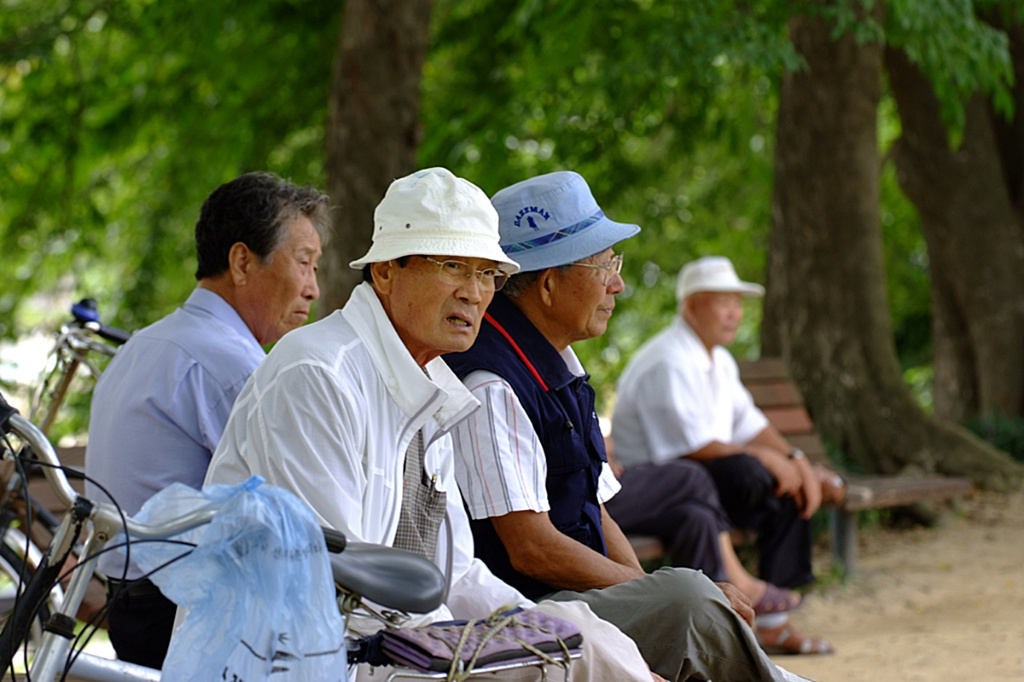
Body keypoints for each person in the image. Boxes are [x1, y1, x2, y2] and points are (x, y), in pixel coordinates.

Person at [203, 167, 662, 682]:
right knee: (575, 658)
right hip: (304, 661)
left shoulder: (433, 388)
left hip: (387, 646)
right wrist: (469, 650)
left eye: (488, 274)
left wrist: (527, 626)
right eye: (452, 266)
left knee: (582, 634)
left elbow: (458, 574)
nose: (474, 293)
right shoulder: (319, 374)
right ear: (385, 272)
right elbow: (335, 585)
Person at [445, 170, 815, 680]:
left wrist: (651, 595)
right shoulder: (491, 383)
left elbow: (596, 511)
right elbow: (531, 549)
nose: (617, 283)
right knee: (692, 591)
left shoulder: (558, 364)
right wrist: (659, 597)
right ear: (549, 283)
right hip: (532, 609)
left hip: (577, 596)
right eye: (604, 264)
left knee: (686, 597)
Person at [85, 171, 328, 667]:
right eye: (304, 263)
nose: (313, 289)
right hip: (180, 615)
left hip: (126, 601)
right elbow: (297, 502)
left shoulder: (147, 342)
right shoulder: (227, 364)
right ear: (242, 261)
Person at [611, 254, 843, 654]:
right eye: (723, 302)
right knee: (752, 474)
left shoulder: (719, 360)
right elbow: (691, 448)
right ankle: (749, 604)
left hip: (704, 487)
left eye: (737, 303)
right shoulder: (669, 359)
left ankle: (773, 620)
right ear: (691, 307)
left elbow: (751, 424)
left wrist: (796, 461)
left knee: (786, 491)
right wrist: (770, 461)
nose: (734, 313)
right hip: (660, 483)